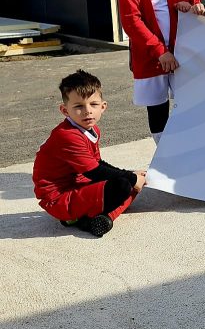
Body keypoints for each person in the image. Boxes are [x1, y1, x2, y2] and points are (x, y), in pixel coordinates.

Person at [117, 0, 204, 143]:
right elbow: (132, 23)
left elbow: (198, 4)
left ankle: (188, 149)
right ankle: (162, 154)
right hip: (150, 58)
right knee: (157, 109)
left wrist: (194, 6)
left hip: (182, 56)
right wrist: (160, 52)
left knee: (189, 104)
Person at [33, 70, 147, 237]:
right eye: (78, 106)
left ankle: (96, 218)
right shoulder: (67, 135)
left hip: (79, 185)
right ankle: (81, 218)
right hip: (59, 198)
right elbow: (95, 171)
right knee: (124, 185)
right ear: (65, 110)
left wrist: (132, 175)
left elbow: (97, 163)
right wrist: (131, 178)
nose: (87, 111)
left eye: (93, 104)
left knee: (134, 183)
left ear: (103, 106)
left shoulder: (92, 130)